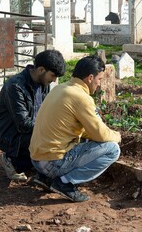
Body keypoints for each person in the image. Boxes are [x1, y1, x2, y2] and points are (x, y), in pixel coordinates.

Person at [29, 55, 120, 202]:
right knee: (113, 149)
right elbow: (101, 135)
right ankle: (65, 183)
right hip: (52, 163)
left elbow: (84, 131)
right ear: (90, 78)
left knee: (83, 139)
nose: (99, 85)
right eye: (99, 80)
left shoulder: (60, 88)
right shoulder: (81, 97)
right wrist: (117, 135)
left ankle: (46, 178)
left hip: (36, 160)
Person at [0, 49, 66, 181]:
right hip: (11, 135)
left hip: (31, 130)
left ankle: (37, 164)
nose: (54, 80)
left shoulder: (43, 83)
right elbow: (23, 124)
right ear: (41, 69)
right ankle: (12, 161)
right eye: (53, 75)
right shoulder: (15, 86)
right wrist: (52, 129)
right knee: (52, 138)